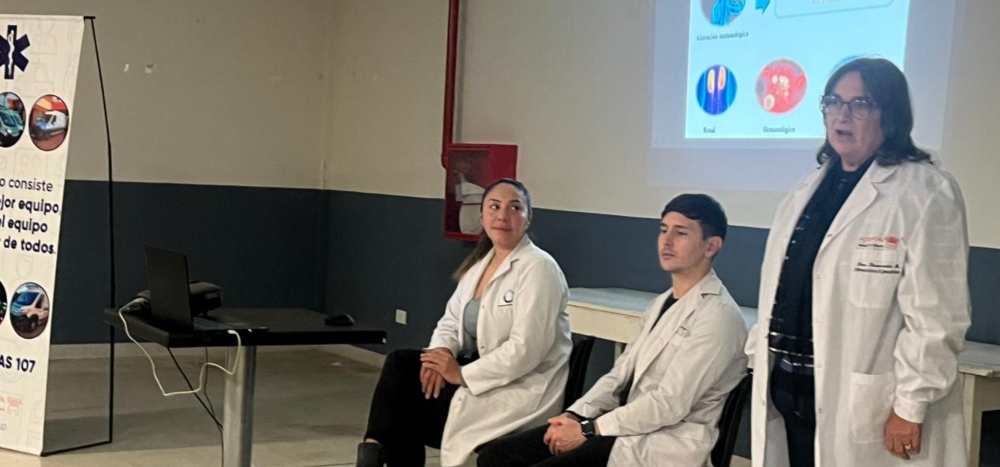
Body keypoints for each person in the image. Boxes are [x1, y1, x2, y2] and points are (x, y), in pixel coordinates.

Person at [746, 58, 970, 467]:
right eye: (833, 102)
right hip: (791, 389)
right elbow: (782, 289)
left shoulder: (924, 192)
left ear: (891, 115)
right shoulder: (807, 190)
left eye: (860, 104)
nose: (841, 115)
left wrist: (911, 405)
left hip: (869, 405)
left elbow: (937, 318)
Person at [477, 194, 748, 467]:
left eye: (680, 233)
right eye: (663, 230)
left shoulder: (719, 317)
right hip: (628, 425)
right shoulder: (662, 303)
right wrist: (575, 416)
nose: (666, 241)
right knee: (496, 456)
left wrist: (588, 429)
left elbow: (669, 404)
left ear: (711, 246)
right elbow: (619, 374)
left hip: (668, 441)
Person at [356, 179, 572, 467]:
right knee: (403, 366)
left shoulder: (539, 268)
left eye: (514, 208)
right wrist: (440, 354)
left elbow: (525, 350)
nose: (502, 216)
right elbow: (450, 320)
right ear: (482, 216)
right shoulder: (480, 266)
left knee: (404, 406)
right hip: (482, 375)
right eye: (494, 207)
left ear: (528, 218)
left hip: (520, 390)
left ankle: (371, 456)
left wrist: (460, 374)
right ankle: (372, 451)